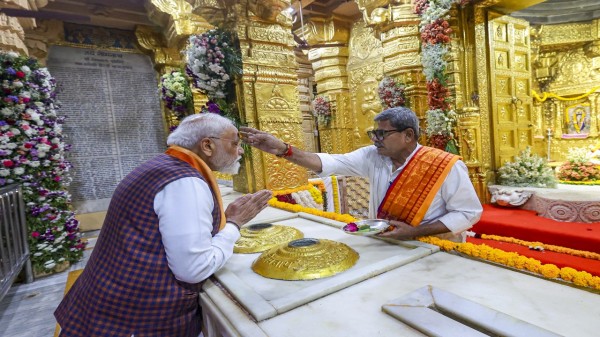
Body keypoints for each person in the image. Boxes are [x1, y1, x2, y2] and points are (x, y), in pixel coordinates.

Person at [55, 113, 272, 337]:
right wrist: (235, 224)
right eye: (235, 143)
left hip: (104, 307)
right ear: (207, 145)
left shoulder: (163, 166)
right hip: (134, 320)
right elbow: (194, 268)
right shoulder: (184, 183)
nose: (240, 151)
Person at [240, 106, 482, 242]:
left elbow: (469, 212)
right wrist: (283, 149)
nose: (375, 140)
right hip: (386, 242)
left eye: (382, 134)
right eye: (373, 133)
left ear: (408, 135)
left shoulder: (444, 165)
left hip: (435, 247)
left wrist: (416, 232)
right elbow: (330, 162)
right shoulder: (372, 155)